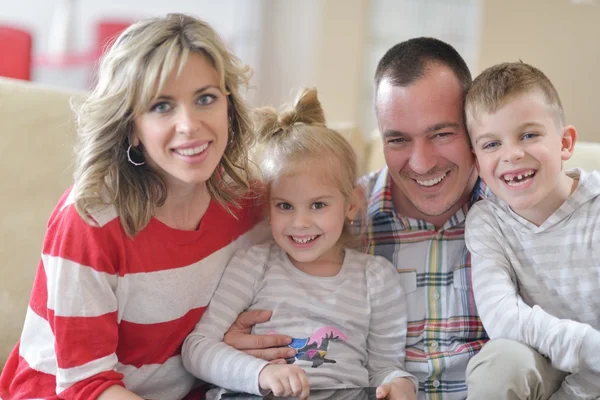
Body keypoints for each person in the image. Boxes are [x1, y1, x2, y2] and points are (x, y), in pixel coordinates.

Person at [0, 13, 272, 400]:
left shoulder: (252, 206)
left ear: (228, 106)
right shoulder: (91, 219)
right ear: (131, 126)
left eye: (205, 98)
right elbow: (86, 384)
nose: (189, 124)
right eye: (162, 106)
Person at [182, 88, 418, 400]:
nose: (300, 222)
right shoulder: (255, 264)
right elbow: (197, 348)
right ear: (268, 206)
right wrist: (261, 373)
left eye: (318, 205)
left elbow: (384, 367)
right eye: (285, 206)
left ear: (351, 204)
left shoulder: (375, 278)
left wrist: (400, 383)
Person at [464, 62, 600, 399]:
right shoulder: (487, 222)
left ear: (565, 142)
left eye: (529, 135)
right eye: (491, 144)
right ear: (477, 163)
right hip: (551, 364)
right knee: (500, 362)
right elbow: (502, 317)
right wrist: (586, 347)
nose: (512, 154)